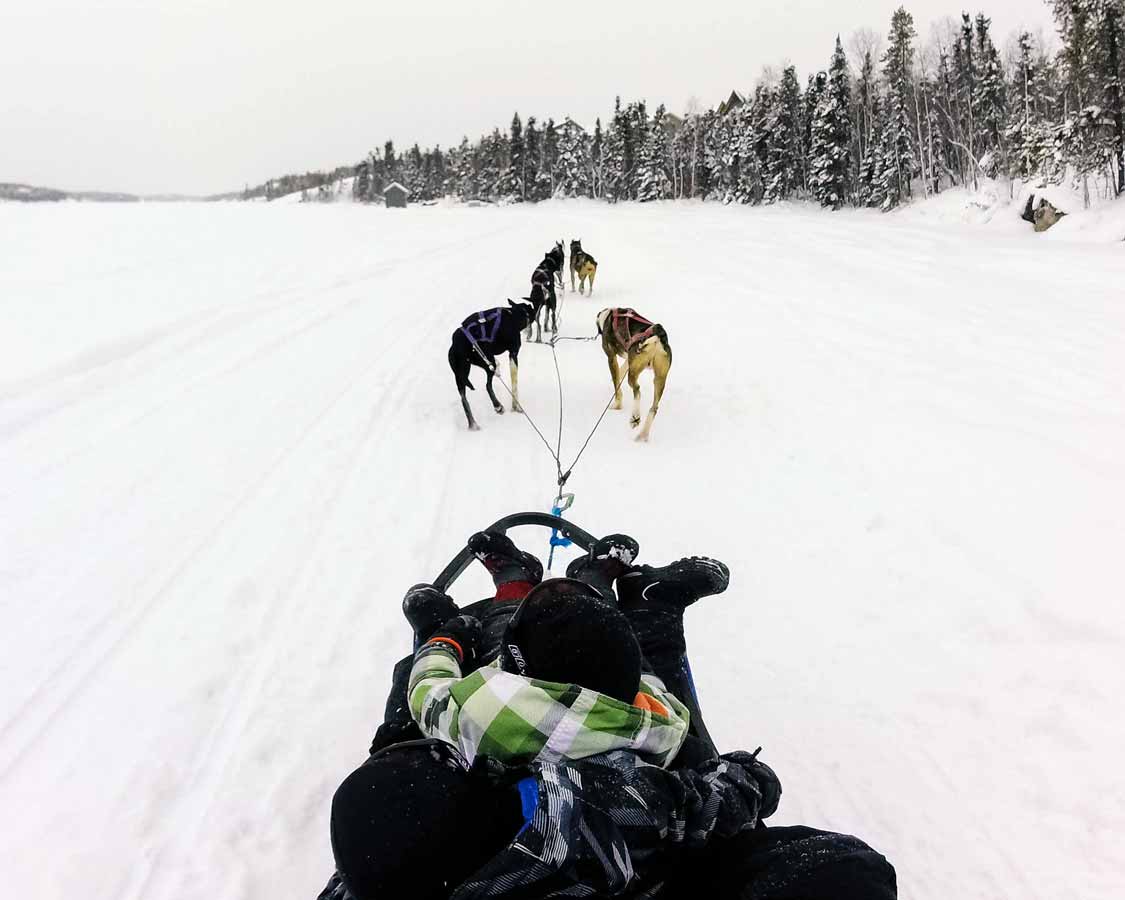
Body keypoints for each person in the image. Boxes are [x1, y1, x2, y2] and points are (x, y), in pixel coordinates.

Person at [319, 531, 897, 900]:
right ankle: (621, 596)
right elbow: (681, 807)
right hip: (617, 795)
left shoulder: (481, 729)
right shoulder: (596, 809)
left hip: (469, 788)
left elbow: (431, 697)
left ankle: (488, 603)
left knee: (403, 734)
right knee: (625, 678)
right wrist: (747, 783)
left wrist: (440, 642)